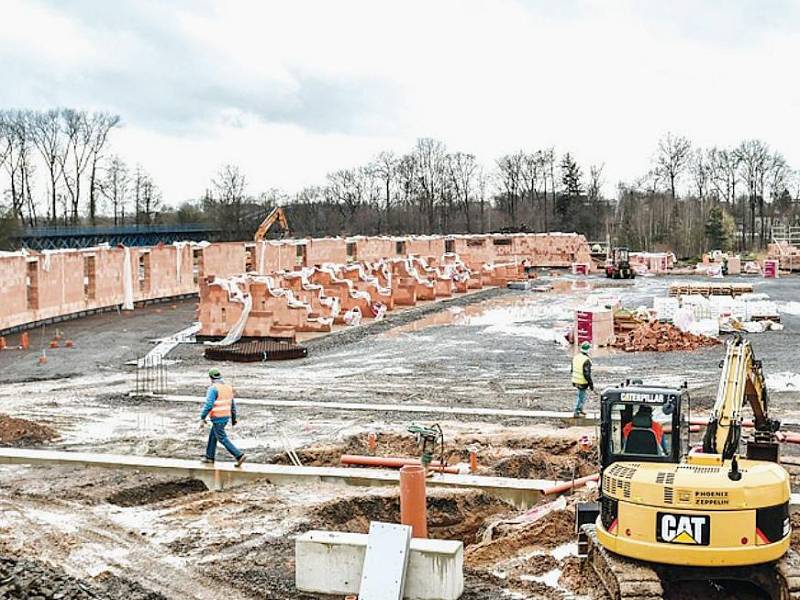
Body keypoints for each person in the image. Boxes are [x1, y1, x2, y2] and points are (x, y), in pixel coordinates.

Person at [200, 368, 246, 466]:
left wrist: (202, 417)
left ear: (211, 378)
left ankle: (239, 455)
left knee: (222, 438)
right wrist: (234, 418)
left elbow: (209, 405)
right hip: (226, 417)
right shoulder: (228, 388)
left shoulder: (213, 389)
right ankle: (209, 457)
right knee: (213, 435)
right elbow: (232, 405)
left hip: (218, 417)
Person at [571, 342, 594, 417]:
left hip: (575, 379)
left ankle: (580, 409)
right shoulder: (586, 360)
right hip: (582, 381)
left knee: (581, 395)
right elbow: (587, 374)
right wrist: (591, 384)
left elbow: (572, 369)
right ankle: (577, 411)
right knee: (581, 396)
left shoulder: (576, 357)